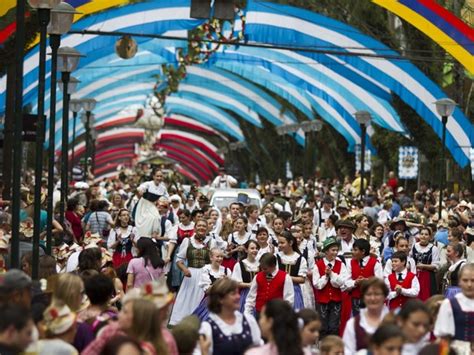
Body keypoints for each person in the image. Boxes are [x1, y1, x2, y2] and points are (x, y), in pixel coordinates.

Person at [169, 219, 216, 325]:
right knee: (187, 298)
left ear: (207, 228)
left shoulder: (211, 242)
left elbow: (215, 258)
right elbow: (179, 260)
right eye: (199, 225)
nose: (201, 228)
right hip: (191, 274)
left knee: (201, 297)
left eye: (204, 226)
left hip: (205, 275)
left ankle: (200, 320)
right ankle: (182, 321)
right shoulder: (187, 241)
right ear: (195, 228)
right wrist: (185, 269)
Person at [198, 278, 261, 355]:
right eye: (233, 294)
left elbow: (259, 349)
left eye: (238, 293)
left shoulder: (249, 321)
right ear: (220, 299)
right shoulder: (208, 327)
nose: (238, 297)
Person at [434, 263, 474, 354]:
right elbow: (443, 338)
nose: (469, 284)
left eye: (473, 280)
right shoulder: (449, 304)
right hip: (457, 351)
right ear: (459, 281)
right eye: (465, 280)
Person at [343, 278, 390, 353]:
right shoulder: (353, 324)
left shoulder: (394, 321)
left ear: (384, 296)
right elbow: (347, 351)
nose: (372, 298)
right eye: (368, 294)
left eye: (377, 294)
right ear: (363, 297)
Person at [313, 237, 347, 338]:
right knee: (322, 326)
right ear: (326, 251)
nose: (336, 252)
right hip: (322, 300)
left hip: (336, 300)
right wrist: (326, 276)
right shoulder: (318, 265)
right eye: (333, 250)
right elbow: (317, 284)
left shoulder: (341, 264)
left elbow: (341, 282)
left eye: (337, 250)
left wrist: (332, 274)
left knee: (334, 326)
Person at [345, 238, 383, 316]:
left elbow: (380, 281)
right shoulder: (350, 263)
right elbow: (346, 281)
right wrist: (355, 282)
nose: (352, 252)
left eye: (355, 250)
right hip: (356, 297)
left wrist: (367, 281)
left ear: (363, 251)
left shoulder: (375, 263)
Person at [193, 248, 231, 321]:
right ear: (211, 258)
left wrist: (227, 282)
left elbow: (230, 289)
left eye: (221, 256)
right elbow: (207, 291)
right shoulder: (206, 269)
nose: (220, 259)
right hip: (211, 302)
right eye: (217, 256)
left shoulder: (227, 270)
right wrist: (219, 282)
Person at [276, 230, 307, 310]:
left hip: (294, 291)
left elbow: (302, 279)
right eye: (279, 243)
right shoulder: (277, 257)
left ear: (290, 243)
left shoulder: (300, 259)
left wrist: (286, 277)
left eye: (282, 243)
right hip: (279, 289)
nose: (279, 245)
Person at [134, 168, 168, 238]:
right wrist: (140, 190)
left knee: (156, 218)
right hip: (143, 205)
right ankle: (144, 236)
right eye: (157, 176)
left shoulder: (163, 188)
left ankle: (153, 235)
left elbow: (167, 197)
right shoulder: (148, 184)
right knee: (146, 220)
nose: (159, 178)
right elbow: (141, 188)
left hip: (152, 205)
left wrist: (164, 201)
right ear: (153, 176)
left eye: (160, 176)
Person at [166, 209, 194, 291]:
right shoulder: (177, 227)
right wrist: (168, 256)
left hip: (192, 250)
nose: (181, 220)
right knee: (177, 269)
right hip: (180, 250)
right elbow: (172, 242)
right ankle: (178, 288)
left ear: (189, 217)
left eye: (183, 217)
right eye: (180, 218)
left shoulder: (195, 226)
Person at [411, 226, 440, 301]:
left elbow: (435, 266)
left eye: (426, 234)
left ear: (430, 237)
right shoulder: (414, 246)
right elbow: (410, 260)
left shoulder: (433, 249)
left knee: (426, 297)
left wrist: (423, 266)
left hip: (427, 277)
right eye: (422, 234)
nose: (423, 236)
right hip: (415, 275)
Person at [232, 240, 260, 313]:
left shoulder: (260, 264)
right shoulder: (239, 265)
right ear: (246, 250)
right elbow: (235, 283)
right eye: (252, 248)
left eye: (256, 248)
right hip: (245, 295)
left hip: (259, 295)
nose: (255, 250)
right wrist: (250, 285)